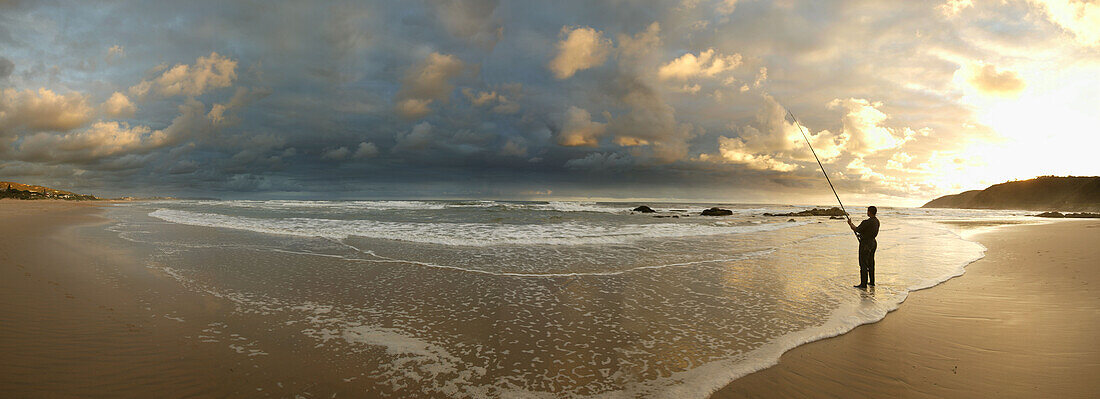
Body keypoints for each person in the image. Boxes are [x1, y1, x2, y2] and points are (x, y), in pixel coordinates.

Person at [847, 206, 879, 289]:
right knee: (871, 263)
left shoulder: (866, 222)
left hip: (865, 244)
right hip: (873, 243)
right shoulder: (877, 221)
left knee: (863, 264)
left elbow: (857, 229)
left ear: (869, 212)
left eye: (867, 211)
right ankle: (872, 282)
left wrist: (850, 224)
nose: (867, 212)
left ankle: (863, 284)